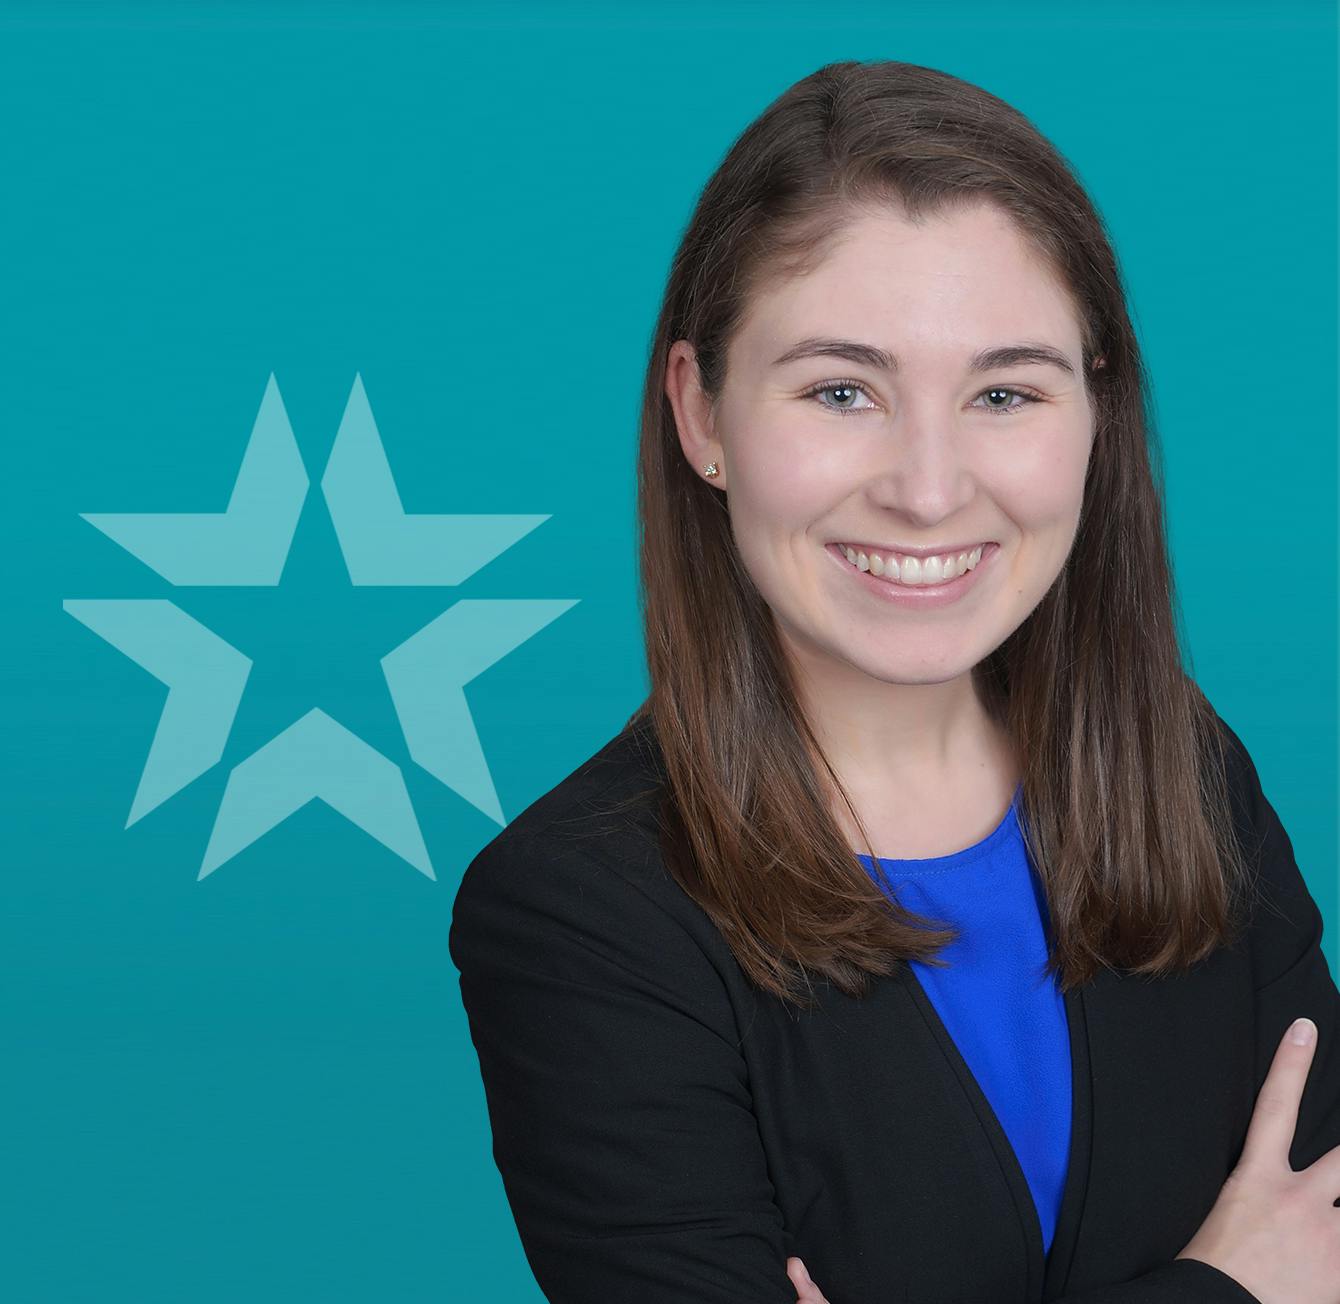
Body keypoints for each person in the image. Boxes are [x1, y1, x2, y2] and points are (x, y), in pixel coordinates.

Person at [449, 59, 1340, 1303]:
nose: (926, 489)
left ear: (1095, 413)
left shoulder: (1182, 771)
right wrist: (1228, 1287)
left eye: (1002, 392)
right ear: (700, 416)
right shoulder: (576, 916)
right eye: (840, 391)